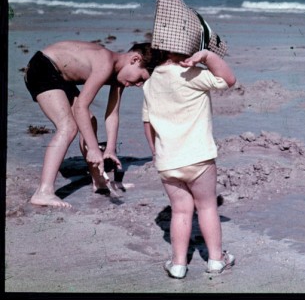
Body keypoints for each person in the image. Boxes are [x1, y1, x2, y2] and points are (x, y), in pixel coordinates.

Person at [24, 41, 157, 208]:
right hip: (42, 67)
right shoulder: (106, 63)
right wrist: (93, 148)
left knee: (89, 120)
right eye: (141, 78)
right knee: (68, 127)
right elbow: (81, 106)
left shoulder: (119, 77)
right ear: (135, 59)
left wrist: (110, 149)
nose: (139, 85)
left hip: (60, 77)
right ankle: (43, 192)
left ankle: (99, 182)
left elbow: (112, 114)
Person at [142, 48, 236, 279]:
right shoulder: (193, 74)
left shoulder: (150, 83)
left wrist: (156, 152)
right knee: (207, 206)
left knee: (180, 211)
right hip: (198, 157)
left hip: (168, 160)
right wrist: (207, 56)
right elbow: (229, 79)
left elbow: (148, 123)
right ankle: (216, 259)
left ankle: (178, 264)